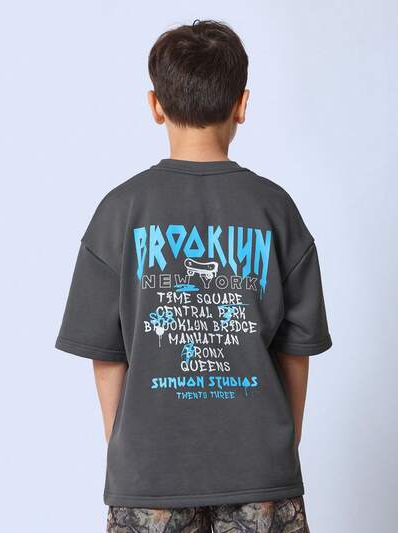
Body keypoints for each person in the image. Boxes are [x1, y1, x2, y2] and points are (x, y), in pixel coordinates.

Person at [56, 19, 332, 533]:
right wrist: (281, 444)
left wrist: (127, 448)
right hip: (259, 469)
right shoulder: (276, 209)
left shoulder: (119, 211)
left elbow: (105, 356)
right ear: (242, 105)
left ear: (155, 105)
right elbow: (296, 352)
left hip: (148, 471)